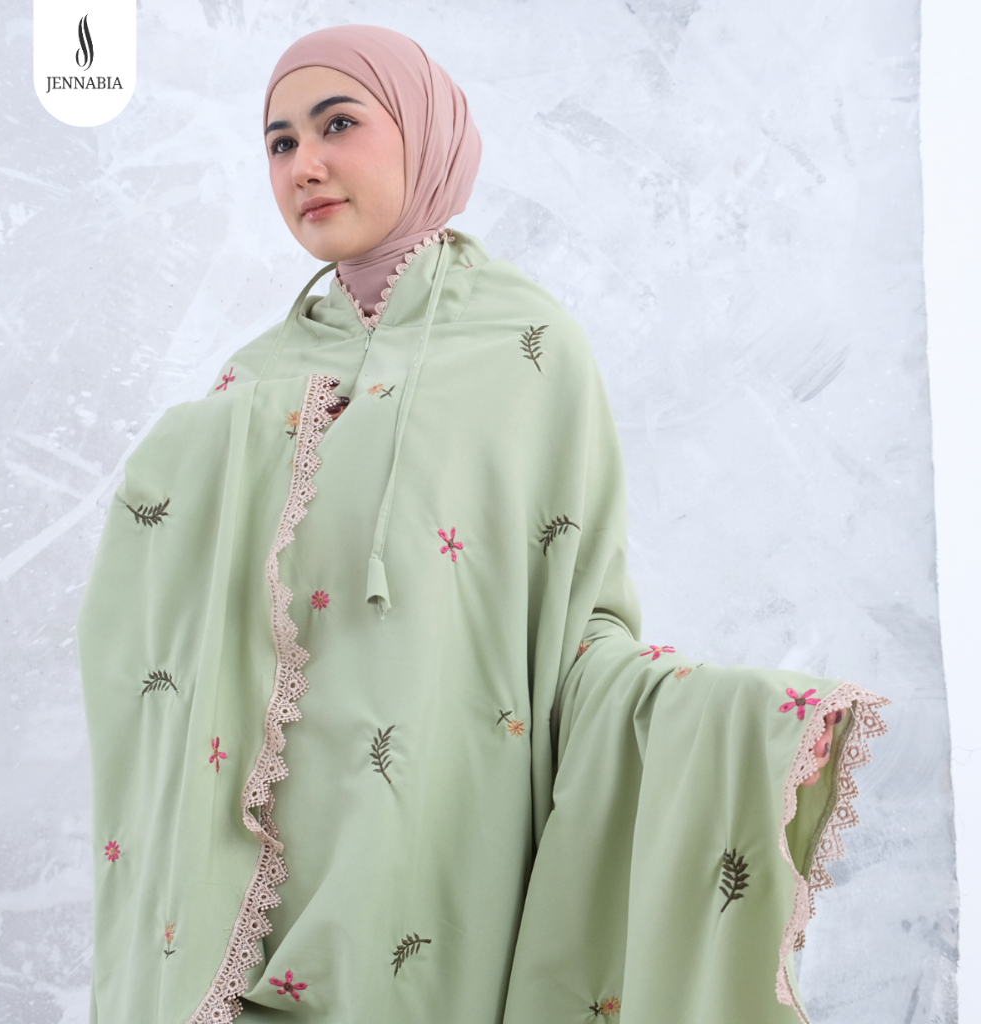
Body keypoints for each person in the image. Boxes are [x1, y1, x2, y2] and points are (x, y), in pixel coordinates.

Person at [77, 24, 889, 1024]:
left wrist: (723, 715)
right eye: (280, 142)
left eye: (338, 124)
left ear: (424, 132)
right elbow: (158, 642)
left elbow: (575, 627)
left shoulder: (528, 350)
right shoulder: (249, 386)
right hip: (254, 890)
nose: (305, 165)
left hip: (439, 861)